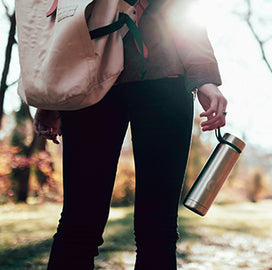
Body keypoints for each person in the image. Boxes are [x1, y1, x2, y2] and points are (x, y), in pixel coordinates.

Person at [33, 0, 227, 269]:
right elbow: (61, 16)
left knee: (156, 228)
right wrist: (49, 96)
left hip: (161, 77)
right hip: (90, 79)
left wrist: (204, 77)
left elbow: (183, 11)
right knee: (80, 224)